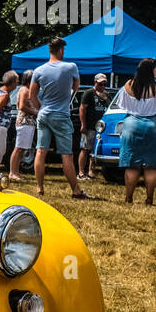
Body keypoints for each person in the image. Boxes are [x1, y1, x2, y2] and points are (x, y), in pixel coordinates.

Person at [30, 37, 88, 199]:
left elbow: (32, 95)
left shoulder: (39, 70)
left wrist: (41, 108)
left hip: (44, 114)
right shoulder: (70, 67)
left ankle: (40, 187)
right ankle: (76, 190)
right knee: (66, 155)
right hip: (61, 115)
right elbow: (76, 87)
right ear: (61, 50)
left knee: (41, 151)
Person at [118, 58, 156, 205]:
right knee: (151, 166)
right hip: (153, 127)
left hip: (131, 126)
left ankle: (129, 197)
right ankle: (149, 198)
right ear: (150, 70)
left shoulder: (128, 85)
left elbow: (122, 105)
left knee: (132, 165)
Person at [78, 73, 111, 180]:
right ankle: (81, 172)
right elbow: (82, 109)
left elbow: (111, 106)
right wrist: (83, 125)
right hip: (90, 126)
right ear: (95, 82)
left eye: (104, 84)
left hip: (101, 128)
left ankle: (91, 171)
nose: (102, 87)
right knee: (85, 149)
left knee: (94, 151)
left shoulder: (106, 94)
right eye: (100, 84)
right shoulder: (89, 93)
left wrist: (105, 98)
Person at [8, 69, 37, 182]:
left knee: (23, 148)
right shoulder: (24, 90)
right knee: (18, 148)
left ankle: (16, 172)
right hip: (24, 122)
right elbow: (22, 106)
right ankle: (12, 173)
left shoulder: (28, 90)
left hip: (29, 123)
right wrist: (35, 112)